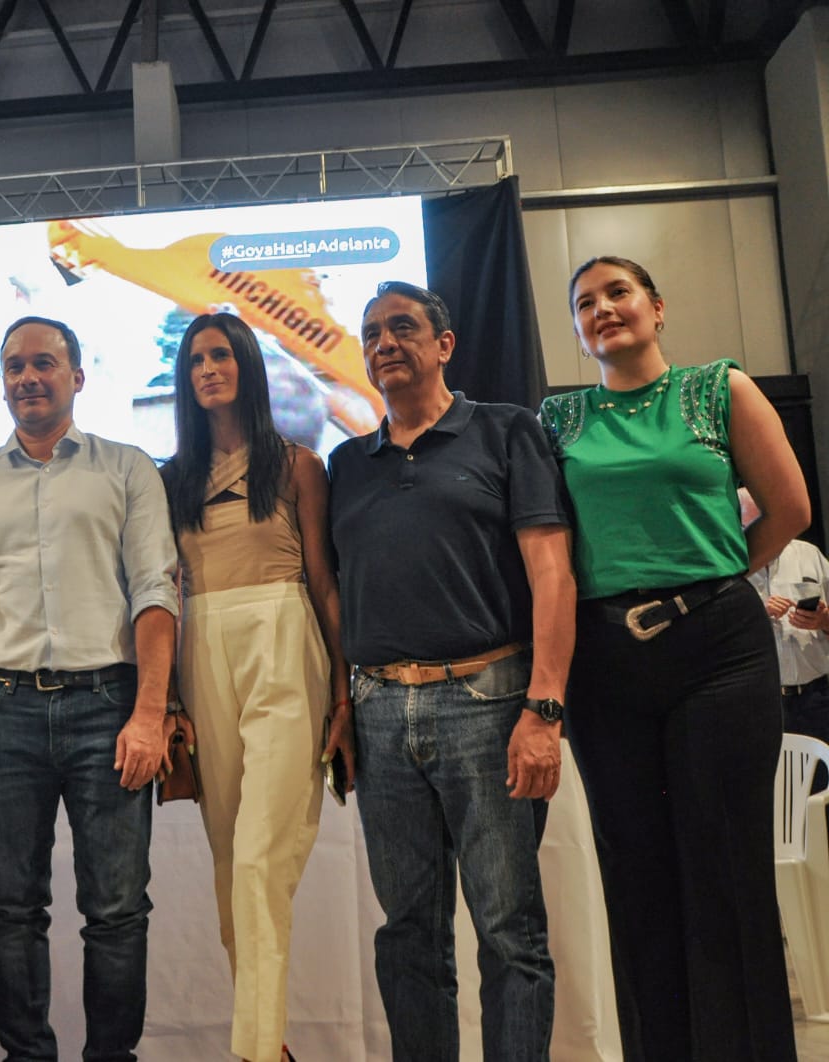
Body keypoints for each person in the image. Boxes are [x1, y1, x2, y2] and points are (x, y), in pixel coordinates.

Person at [540, 256, 807, 1061]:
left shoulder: (720, 388)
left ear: (657, 306)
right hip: (605, 665)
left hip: (717, 652)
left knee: (725, 870)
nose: (603, 309)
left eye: (617, 293)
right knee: (637, 874)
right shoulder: (558, 419)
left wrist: (716, 576)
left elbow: (790, 507)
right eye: (585, 303)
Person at [328, 282, 575, 1062]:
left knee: (509, 931)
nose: (384, 343)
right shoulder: (346, 463)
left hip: (490, 702)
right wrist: (343, 704)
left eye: (403, 327)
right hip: (378, 714)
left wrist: (544, 709)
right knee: (408, 934)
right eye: (371, 333)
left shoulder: (505, 432)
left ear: (445, 344)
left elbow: (553, 576)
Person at [0, 316, 178, 1061]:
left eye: (44, 364)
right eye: (14, 367)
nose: (28, 378)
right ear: (1, 381)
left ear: (77, 376)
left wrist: (151, 713)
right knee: (12, 907)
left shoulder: (127, 468)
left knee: (117, 910)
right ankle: (26, 1056)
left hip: (110, 706)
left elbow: (155, 593)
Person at [160, 313, 353, 1062]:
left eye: (220, 354)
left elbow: (327, 587)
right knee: (226, 860)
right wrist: (168, 699)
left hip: (284, 639)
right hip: (200, 649)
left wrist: (343, 698)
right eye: (196, 358)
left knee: (260, 858)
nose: (208, 367)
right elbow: (160, 592)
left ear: (245, 361)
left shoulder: (299, 464)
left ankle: (255, 1051)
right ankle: (267, 1046)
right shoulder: (170, 478)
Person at [741, 487, 829, 770]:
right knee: (778, 792)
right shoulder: (730, 571)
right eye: (750, 527)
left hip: (818, 698)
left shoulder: (807, 554)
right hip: (760, 703)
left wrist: (823, 621)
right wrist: (758, 614)